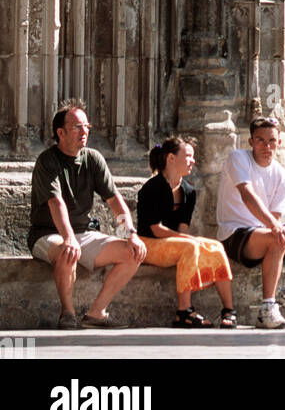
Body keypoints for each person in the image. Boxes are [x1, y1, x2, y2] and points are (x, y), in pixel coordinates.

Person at [28, 102, 146, 330]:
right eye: (77, 127)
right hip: (48, 234)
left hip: (84, 232)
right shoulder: (47, 161)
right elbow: (56, 202)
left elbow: (114, 200)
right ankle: (68, 314)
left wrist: (129, 233)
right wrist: (69, 238)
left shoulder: (93, 158)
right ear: (60, 133)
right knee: (67, 251)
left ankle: (96, 312)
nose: (85, 132)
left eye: (87, 126)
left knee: (133, 252)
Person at [216, 116, 285, 328]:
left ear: (279, 143)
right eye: (260, 140)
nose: (267, 146)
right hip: (234, 235)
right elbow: (247, 196)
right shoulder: (237, 158)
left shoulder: (282, 175)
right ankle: (267, 308)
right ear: (250, 142)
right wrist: (274, 228)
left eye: (272, 141)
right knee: (275, 237)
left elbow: (275, 217)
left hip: (262, 234)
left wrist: (274, 228)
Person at [137, 137, 237, 328]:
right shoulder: (151, 188)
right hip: (148, 243)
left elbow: (183, 228)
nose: (192, 161)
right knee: (190, 245)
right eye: (188, 156)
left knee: (215, 246)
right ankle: (184, 311)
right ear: (171, 158)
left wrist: (192, 241)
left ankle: (228, 310)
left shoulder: (189, 191)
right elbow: (156, 230)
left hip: (174, 244)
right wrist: (190, 241)